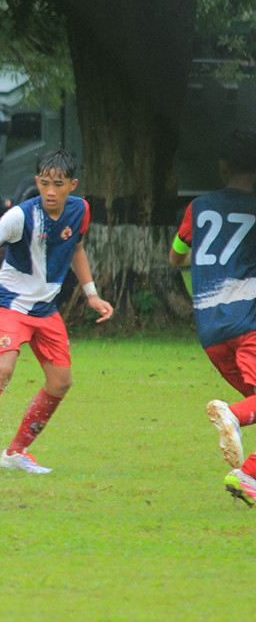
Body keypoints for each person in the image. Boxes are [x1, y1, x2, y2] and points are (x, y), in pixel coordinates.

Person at [0, 149, 114, 475]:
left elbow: (76, 248)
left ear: (72, 184)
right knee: (4, 369)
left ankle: (16, 452)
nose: (50, 191)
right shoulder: (20, 216)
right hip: (11, 302)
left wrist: (91, 294)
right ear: (38, 182)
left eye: (58, 184)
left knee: (60, 382)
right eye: (45, 183)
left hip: (45, 309)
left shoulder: (80, 210)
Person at [170, 126, 256, 506]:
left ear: (223, 167)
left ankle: (248, 477)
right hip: (249, 324)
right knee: (246, 408)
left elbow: (176, 256)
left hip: (211, 331)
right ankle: (234, 419)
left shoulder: (199, 206)